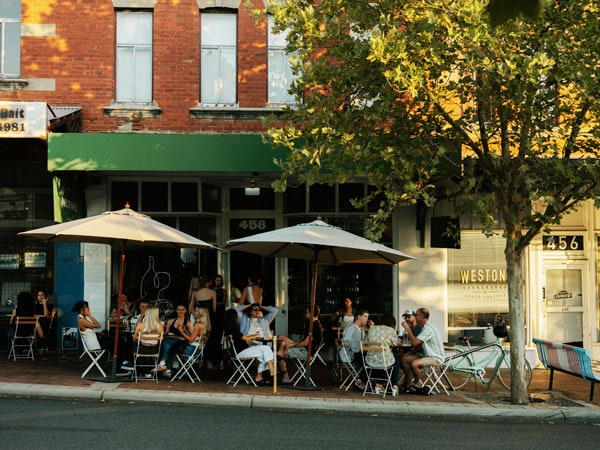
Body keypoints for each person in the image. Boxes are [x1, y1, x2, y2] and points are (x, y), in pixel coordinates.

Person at [400, 307, 445, 394]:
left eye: (416, 315)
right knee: (404, 358)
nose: (415, 317)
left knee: (414, 363)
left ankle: (417, 384)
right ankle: (409, 384)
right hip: (426, 354)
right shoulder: (425, 327)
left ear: (420, 316)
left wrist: (407, 328)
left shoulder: (428, 329)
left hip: (435, 357)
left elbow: (415, 343)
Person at [223, 308, 275, 385]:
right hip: (241, 352)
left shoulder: (228, 329)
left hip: (241, 350)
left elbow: (234, 340)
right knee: (266, 348)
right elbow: (246, 338)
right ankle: (271, 368)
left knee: (263, 353)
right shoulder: (234, 329)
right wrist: (257, 335)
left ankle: (259, 377)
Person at [276, 305, 324, 384]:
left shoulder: (314, 326)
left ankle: (285, 376)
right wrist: (291, 344)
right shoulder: (310, 324)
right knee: (281, 337)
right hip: (303, 348)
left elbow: (305, 343)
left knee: (278, 354)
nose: (305, 314)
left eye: (306, 312)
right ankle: (279, 355)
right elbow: (302, 341)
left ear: (311, 313)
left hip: (306, 352)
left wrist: (291, 345)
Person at [365, 313, 401, 396]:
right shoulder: (391, 330)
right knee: (396, 358)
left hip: (370, 361)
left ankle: (379, 384)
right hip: (383, 360)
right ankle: (394, 385)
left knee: (380, 356)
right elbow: (395, 343)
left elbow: (368, 343)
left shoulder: (372, 329)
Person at [154, 304, 192, 376]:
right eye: (178, 309)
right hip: (170, 341)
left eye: (182, 309)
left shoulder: (188, 322)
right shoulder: (171, 321)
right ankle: (167, 370)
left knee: (166, 343)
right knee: (166, 344)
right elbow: (166, 333)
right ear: (176, 311)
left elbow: (191, 337)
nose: (180, 311)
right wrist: (168, 333)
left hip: (181, 342)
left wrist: (184, 330)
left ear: (185, 311)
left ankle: (164, 365)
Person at [339, 309, 372, 390]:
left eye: (367, 317)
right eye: (365, 317)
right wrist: (358, 347)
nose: (366, 319)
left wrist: (371, 329)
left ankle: (362, 381)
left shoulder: (361, 329)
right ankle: (362, 381)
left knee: (372, 358)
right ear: (358, 317)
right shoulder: (352, 328)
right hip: (350, 354)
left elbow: (366, 342)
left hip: (357, 353)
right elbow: (347, 342)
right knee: (371, 360)